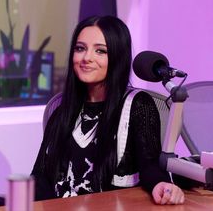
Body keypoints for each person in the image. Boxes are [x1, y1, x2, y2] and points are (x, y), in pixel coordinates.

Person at [31, 15, 185, 205]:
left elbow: (150, 166)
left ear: (117, 57)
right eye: (80, 49)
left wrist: (160, 185)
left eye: (100, 51)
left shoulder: (137, 105)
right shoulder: (61, 110)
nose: (87, 58)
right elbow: (39, 178)